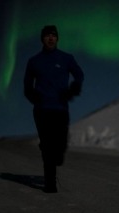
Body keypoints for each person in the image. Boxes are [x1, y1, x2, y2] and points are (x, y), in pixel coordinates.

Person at [24, 25, 84, 193]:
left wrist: (74, 88)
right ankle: (50, 184)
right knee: (48, 146)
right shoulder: (34, 61)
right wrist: (33, 96)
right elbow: (27, 86)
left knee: (59, 147)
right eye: (47, 36)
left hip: (60, 109)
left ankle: (56, 156)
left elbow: (79, 74)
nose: (50, 38)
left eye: (53, 35)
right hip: (42, 110)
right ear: (42, 39)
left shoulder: (66, 58)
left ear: (57, 38)